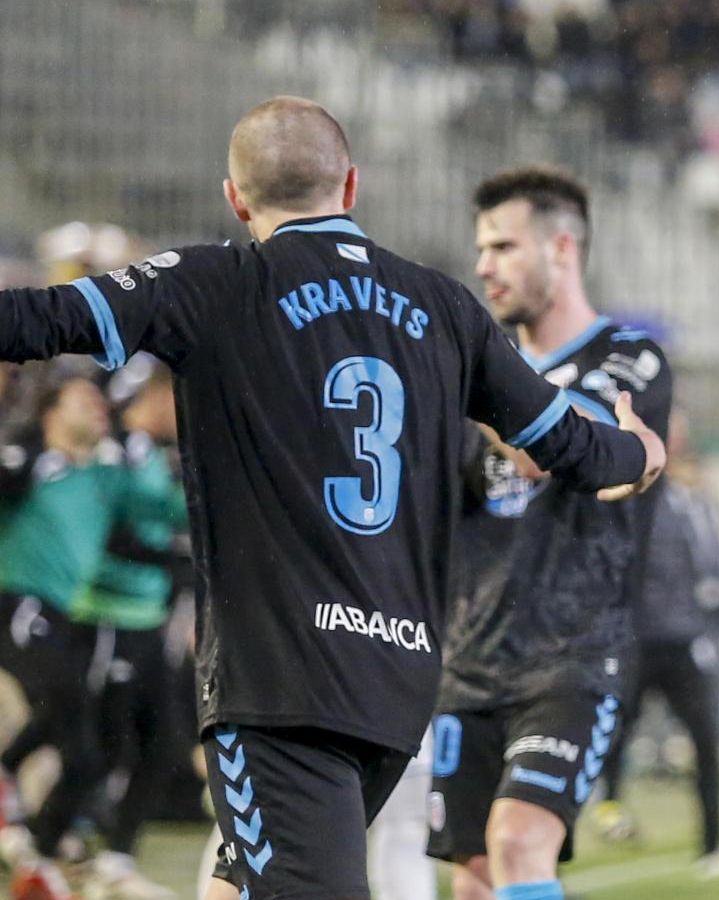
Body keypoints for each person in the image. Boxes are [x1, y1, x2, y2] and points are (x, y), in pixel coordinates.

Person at [0, 96, 664, 900]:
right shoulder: (446, 306)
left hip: (279, 687)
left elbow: (35, 321)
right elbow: (575, 447)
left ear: (236, 199)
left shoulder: (214, 282)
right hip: (394, 687)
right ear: (351, 186)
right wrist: (639, 447)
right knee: (242, 885)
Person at [426, 166, 670, 900]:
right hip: (469, 662)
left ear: (561, 248)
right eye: (481, 249)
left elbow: (551, 449)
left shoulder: (628, 358)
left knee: (518, 840)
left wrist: (471, 380)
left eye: (503, 246)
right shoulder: (478, 372)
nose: (482, 266)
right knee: (472, 879)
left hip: (575, 658)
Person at [592, 410, 719, 882]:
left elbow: (711, 562)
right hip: (637, 638)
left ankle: (714, 848)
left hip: (685, 639)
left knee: (706, 743)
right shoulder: (628, 489)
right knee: (611, 735)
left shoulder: (695, 493)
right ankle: (603, 811)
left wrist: (713, 623)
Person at [74, 362, 189, 900]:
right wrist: (180, 559)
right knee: (100, 747)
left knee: (160, 743)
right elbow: (114, 535)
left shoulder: (152, 454)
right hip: (104, 617)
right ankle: (47, 840)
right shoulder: (115, 450)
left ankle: (113, 860)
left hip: (144, 618)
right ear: (155, 393)